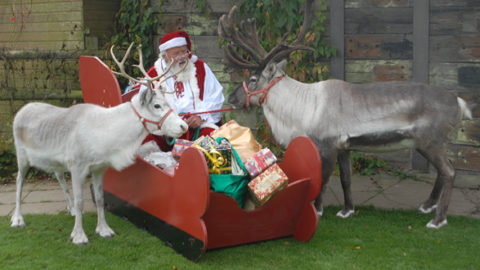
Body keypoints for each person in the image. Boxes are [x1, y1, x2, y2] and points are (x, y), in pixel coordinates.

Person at [137, 30, 225, 151]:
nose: (182, 57)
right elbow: (145, 108)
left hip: (198, 127)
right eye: (176, 53)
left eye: (184, 51)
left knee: (216, 140)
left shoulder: (199, 67)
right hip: (166, 130)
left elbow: (216, 96)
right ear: (165, 56)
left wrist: (201, 116)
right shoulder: (153, 75)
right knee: (144, 142)